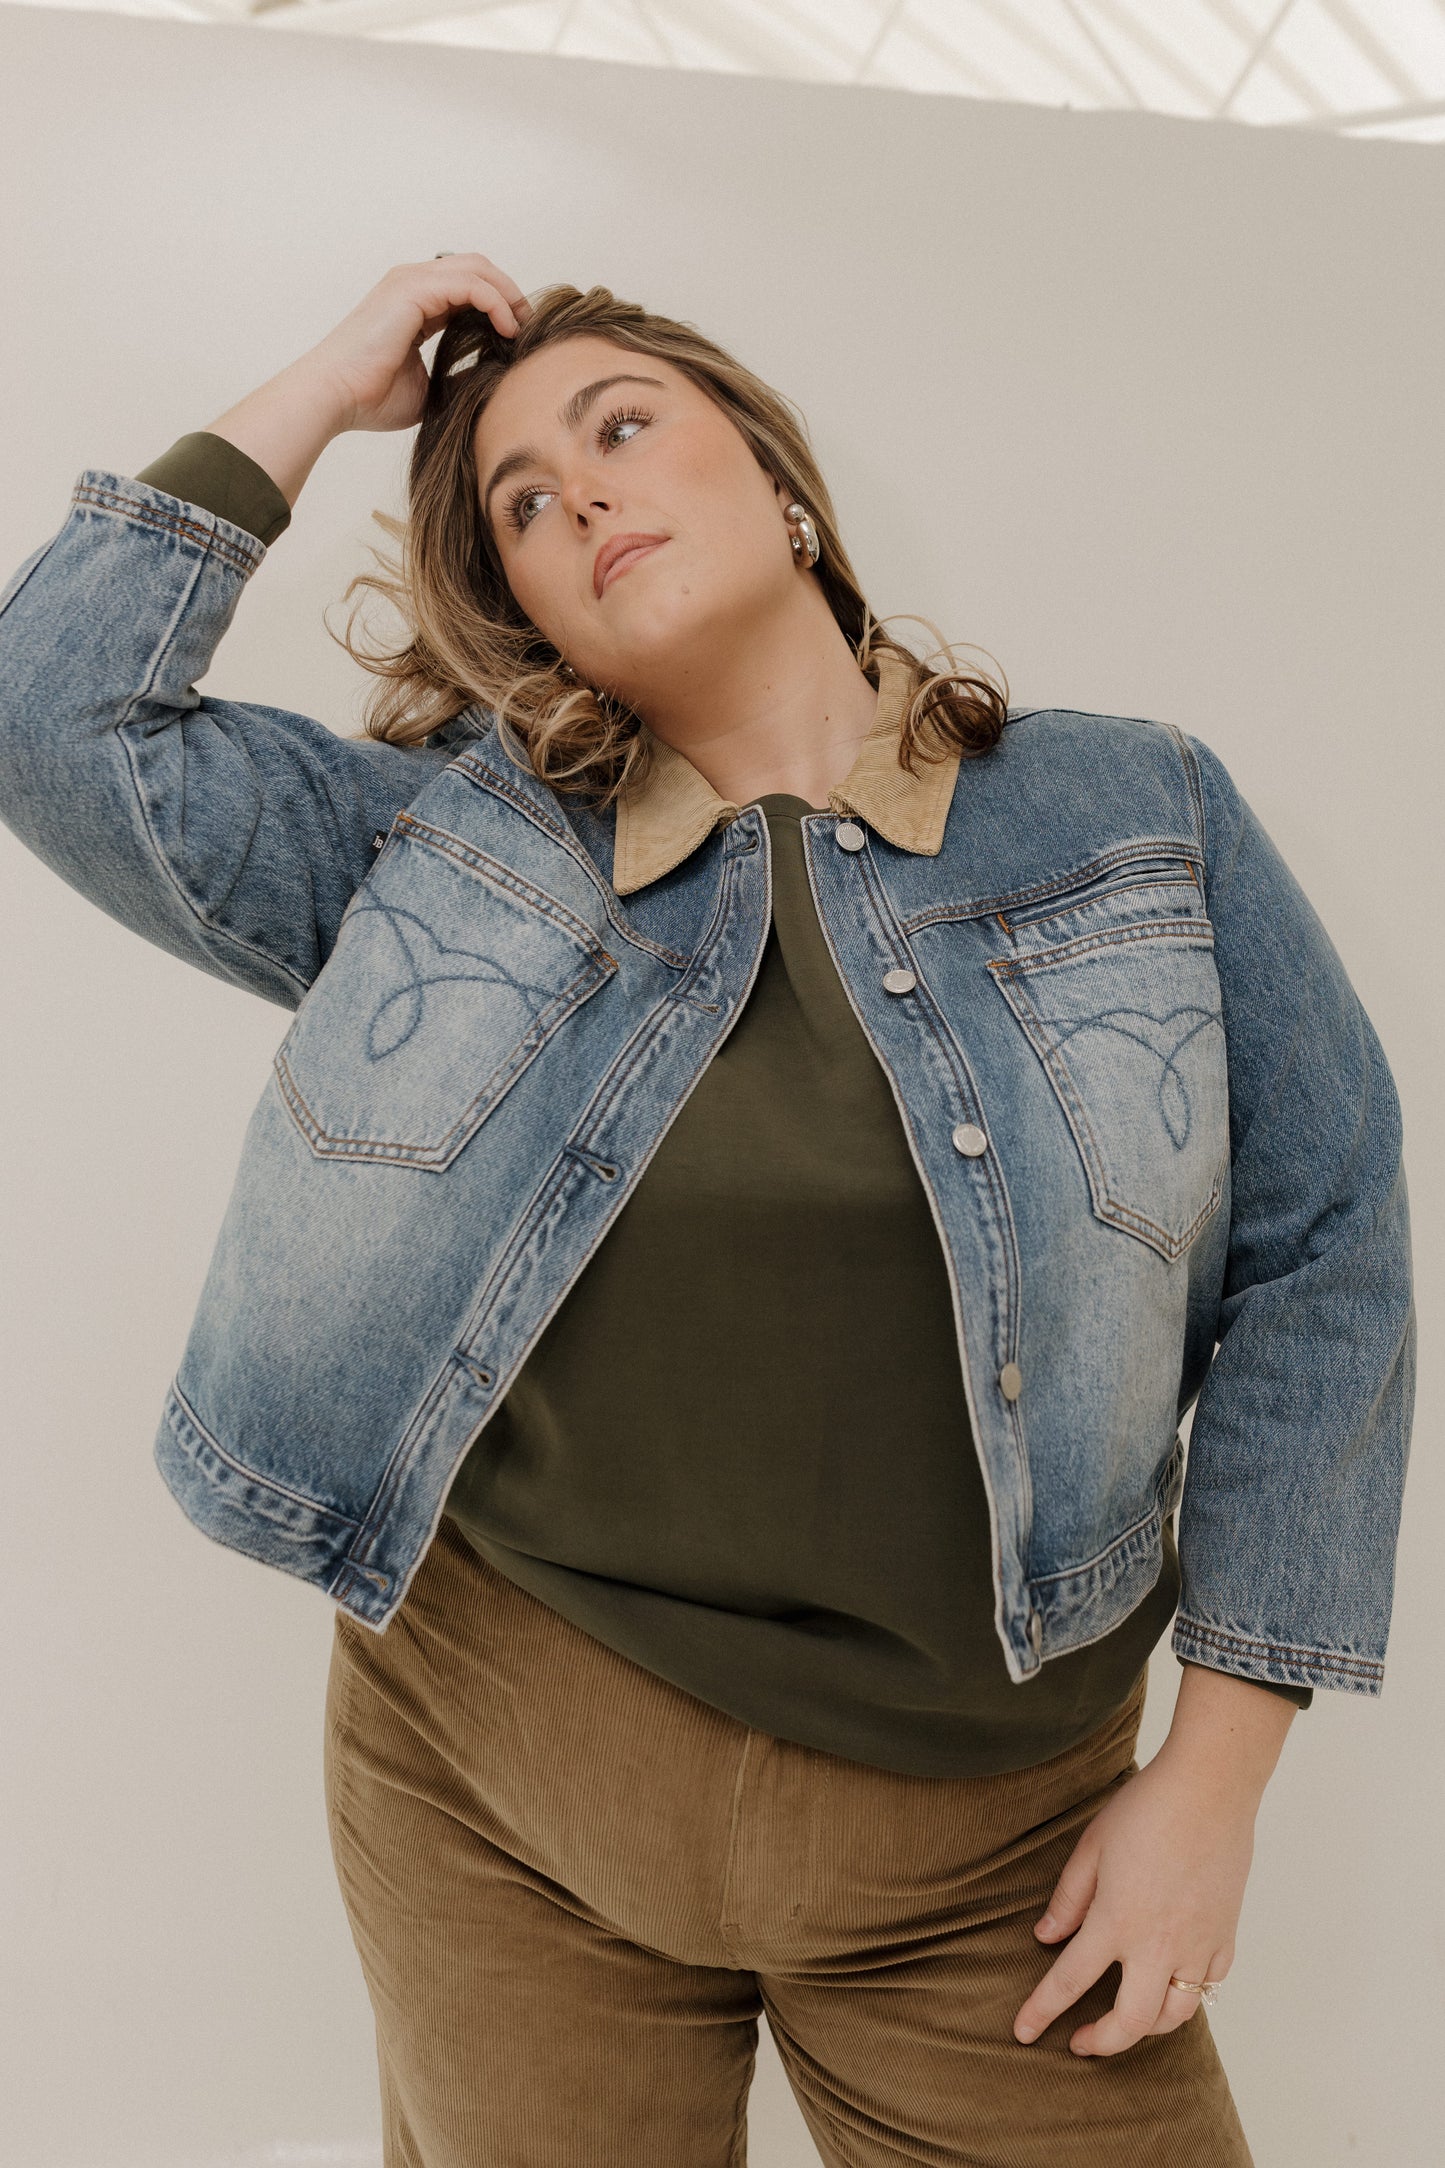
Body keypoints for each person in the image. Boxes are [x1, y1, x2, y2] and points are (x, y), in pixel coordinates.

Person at [0, 254, 1415, 2167]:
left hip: (988, 1852)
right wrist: (335, 386)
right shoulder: (450, 852)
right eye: (516, 502)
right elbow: (49, 715)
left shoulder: (1131, 814)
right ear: (525, 613)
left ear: (776, 479)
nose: (577, 493)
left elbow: (1325, 1258)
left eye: (619, 426)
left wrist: (1218, 1780)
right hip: (492, 1791)